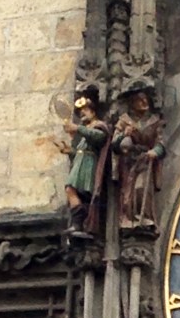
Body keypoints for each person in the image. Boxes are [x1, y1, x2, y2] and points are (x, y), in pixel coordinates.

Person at [111, 87, 166, 231]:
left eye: (145, 99)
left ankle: (144, 217)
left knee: (141, 188)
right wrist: (124, 135)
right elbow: (115, 144)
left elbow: (161, 144)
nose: (144, 102)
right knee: (128, 192)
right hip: (128, 162)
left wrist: (154, 151)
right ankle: (129, 218)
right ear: (132, 104)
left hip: (145, 160)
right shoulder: (124, 121)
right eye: (139, 100)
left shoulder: (155, 121)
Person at [55, 96, 108, 237]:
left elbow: (99, 137)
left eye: (85, 110)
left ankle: (81, 221)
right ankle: (78, 224)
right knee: (72, 191)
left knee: (75, 191)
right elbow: (80, 152)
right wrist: (69, 151)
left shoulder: (98, 125)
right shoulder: (84, 131)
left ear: (93, 111)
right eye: (80, 112)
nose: (82, 113)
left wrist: (77, 128)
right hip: (80, 163)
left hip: (88, 165)